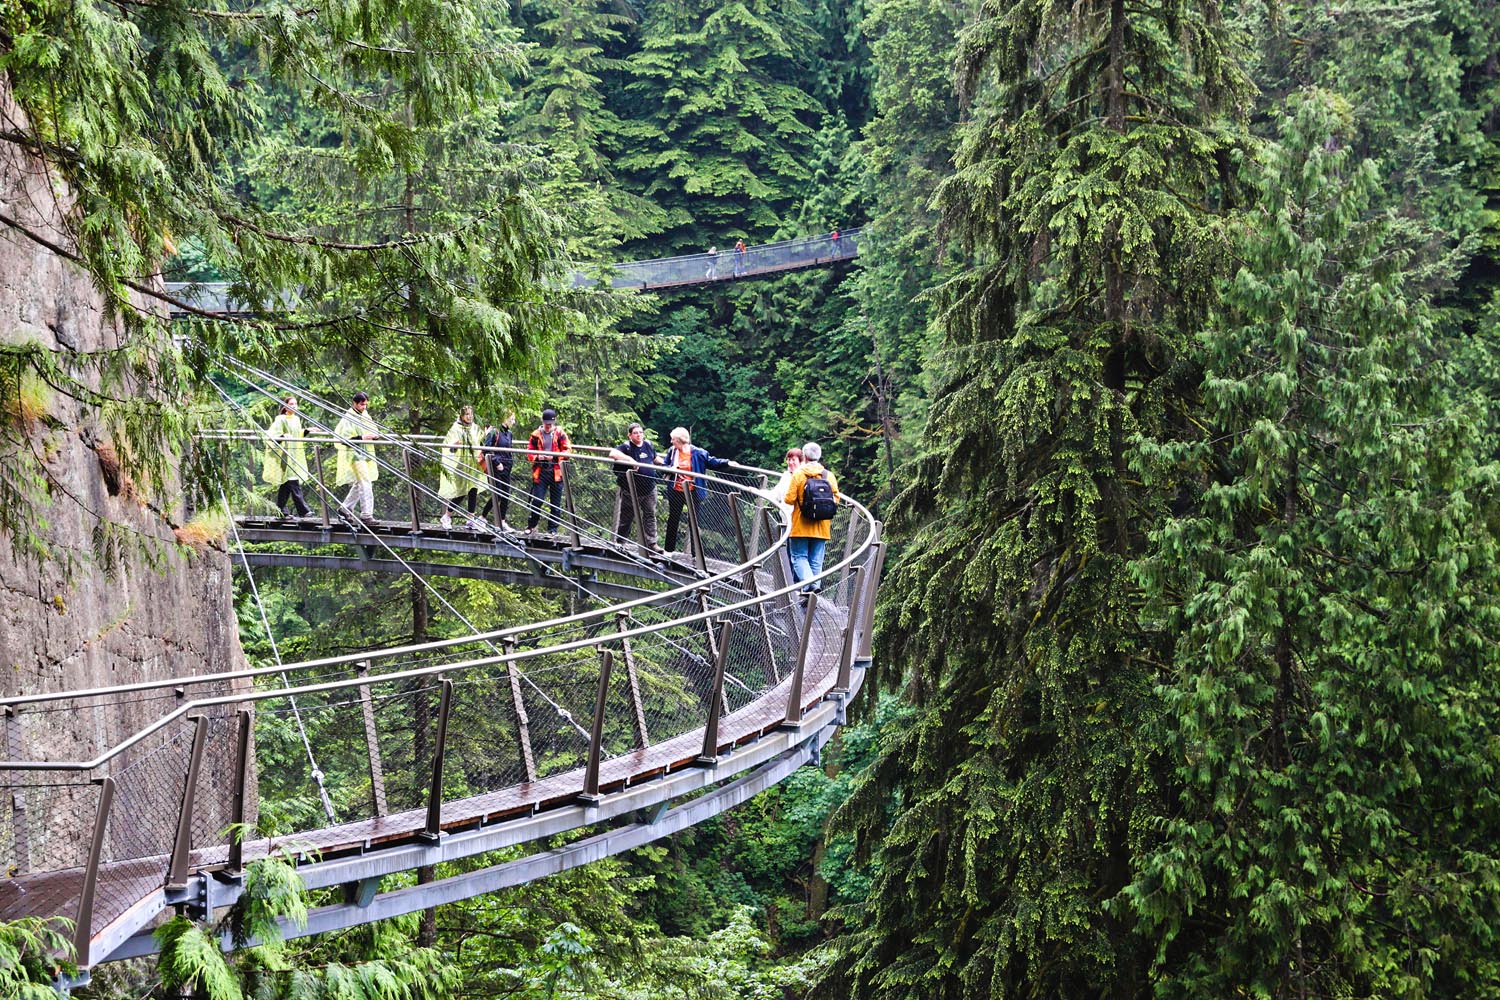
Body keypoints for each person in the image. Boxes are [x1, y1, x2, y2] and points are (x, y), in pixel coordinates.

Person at [657, 427, 732, 556]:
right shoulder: (672, 451)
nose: (671, 441)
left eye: (673, 439)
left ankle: (695, 554)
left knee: (694, 523)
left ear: (680, 440)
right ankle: (669, 551)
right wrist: (672, 468)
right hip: (676, 490)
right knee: (673, 520)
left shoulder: (698, 453)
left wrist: (728, 462)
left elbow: (712, 462)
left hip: (693, 492)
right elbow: (665, 467)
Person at [783, 441, 841, 594]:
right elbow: (836, 498)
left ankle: (810, 585)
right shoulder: (829, 475)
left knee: (799, 557)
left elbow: (788, 499)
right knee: (816, 561)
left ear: (805, 457)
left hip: (800, 525)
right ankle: (813, 593)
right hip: (822, 526)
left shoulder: (799, 475)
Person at [608, 422, 661, 552]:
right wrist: (631, 460)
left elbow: (654, 458)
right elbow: (612, 453)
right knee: (627, 517)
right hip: (631, 489)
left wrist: (667, 464)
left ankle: (652, 543)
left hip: (649, 488)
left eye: (641, 432)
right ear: (630, 435)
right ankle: (620, 542)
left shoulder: (648, 445)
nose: (639, 435)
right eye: (635, 433)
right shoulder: (626, 447)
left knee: (650, 515)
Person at [262, 395, 310, 519]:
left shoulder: (296, 419)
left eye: (295, 404)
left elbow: (297, 434)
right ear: (285, 406)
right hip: (284, 455)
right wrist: (283, 436)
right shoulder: (280, 419)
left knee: (286, 485)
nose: (294, 406)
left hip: (293, 454)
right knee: (293, 482)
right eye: (291, 404)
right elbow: (273, 435)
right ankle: (303, 511)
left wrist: (307, 431)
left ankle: (281, 511)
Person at [334, 391, 379, 521]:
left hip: (365, 454)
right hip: (354, 456)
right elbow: (343, 439)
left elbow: (373, 430)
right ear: (354, 403)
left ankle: (345, 508)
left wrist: (374, 436)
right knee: (365, 483)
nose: (364, 407)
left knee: (360, 483)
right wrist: (362, 437)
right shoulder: (349, 417)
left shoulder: (365, 415)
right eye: (361, 405)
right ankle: (366, 515)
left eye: (365, 405)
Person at [439, 405, 485, 530]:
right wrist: (454, 446)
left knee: (473, 491)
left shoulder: (475, 428)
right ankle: (447, 516)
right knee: (461, 492)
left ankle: (470, 519)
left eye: (471, 414)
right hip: (461, 465)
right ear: (462, 416)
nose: (469, 417)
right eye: (467, 414)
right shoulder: (456, 428)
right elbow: (449, 446)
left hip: (473, 464)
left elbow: (481, 440)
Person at [526, 408, 571, 534]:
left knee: (555, 504)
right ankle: (531, 526)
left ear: (554, 422)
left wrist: (555, 456)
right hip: (541, 472)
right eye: (546, 424)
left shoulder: (560, 433)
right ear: (543, 422)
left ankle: (552, 530)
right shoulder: (535, 434)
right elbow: (529, 451)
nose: (548, 426)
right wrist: (537, 457)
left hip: (556, 472)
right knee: (537, 500)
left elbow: (568, 450)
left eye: (550, 424)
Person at [480, 411, 517, 530]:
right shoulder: (494, 431)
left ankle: (502, 521)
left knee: (506, 494)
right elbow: (486, 449)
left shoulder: (509, 433)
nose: (513, 422)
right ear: (505, 419)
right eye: (511, 419)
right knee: (498, 493)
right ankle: (482, 517)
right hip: (496, 467)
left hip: (507, 468)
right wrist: (497, 462)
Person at [768, 446, 803, 523]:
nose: (790, 462)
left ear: (801, 462)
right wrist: (757, 492)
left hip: (799, 522)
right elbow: (775, 494)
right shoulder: (786, 476)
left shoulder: (803, 476)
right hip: (786, 521)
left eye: (793, 460)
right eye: (789, 459)